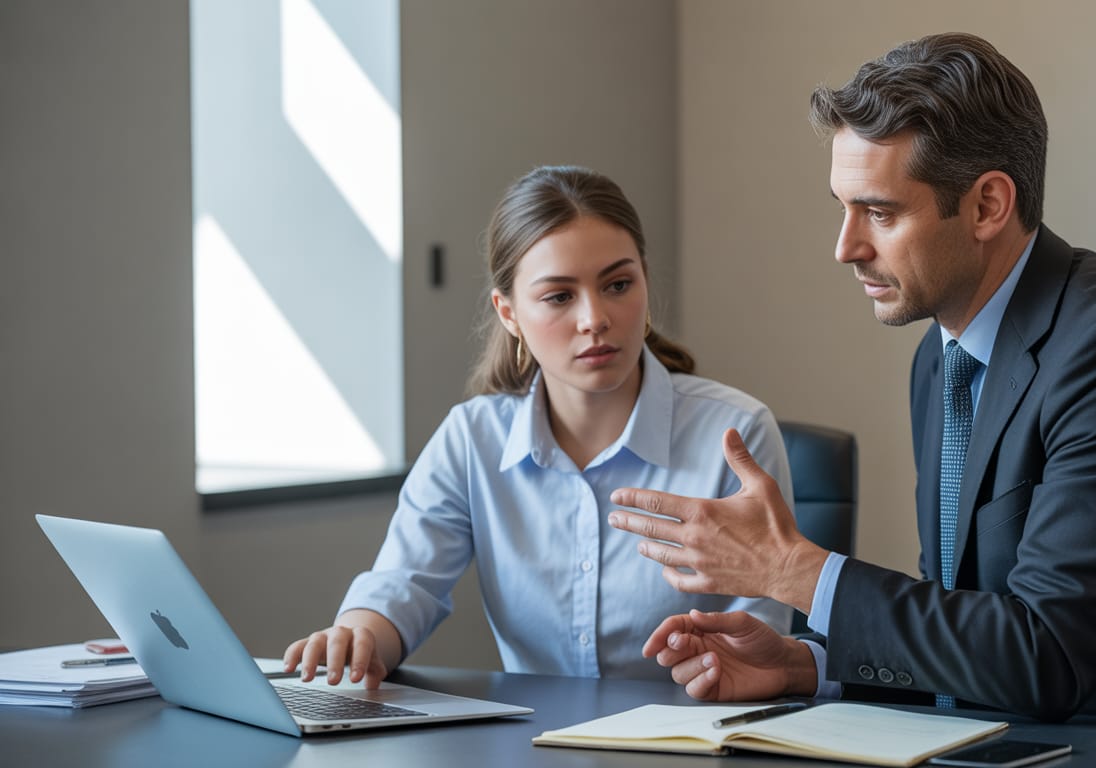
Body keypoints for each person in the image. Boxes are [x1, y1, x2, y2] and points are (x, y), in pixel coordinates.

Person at [607, 33, 1096, 726]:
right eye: (844, 209)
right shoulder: (942, 356)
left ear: (988, 205)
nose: (845, 248)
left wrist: (793, 570)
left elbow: (1045, 655)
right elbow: (971, 624)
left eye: (880, 213)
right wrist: (813, 665)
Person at [284, 165, 793, 687]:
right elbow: (403, 585)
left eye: (618, 284)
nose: (594, 318)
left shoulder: (736, 434)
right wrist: (357, 635)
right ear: (508, 313)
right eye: (559, 296)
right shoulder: (472, 439)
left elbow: (759, 642)